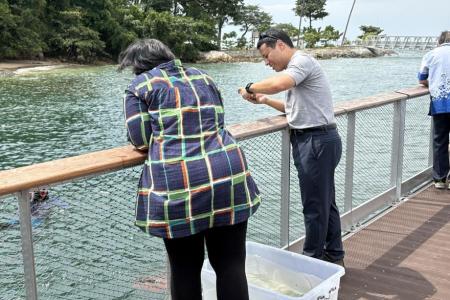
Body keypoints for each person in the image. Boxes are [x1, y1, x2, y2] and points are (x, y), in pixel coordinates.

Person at [118, 39, 261, 300]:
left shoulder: (140, 86)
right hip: (228, 172)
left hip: (180, 182)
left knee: (185, 270)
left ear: (138, 64)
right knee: (230, 264)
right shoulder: (204, 77)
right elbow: (216, 122)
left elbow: (139, 138)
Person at [238, 28, 344, 265]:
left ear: (281, 46)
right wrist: (265, 101)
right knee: (326, 202)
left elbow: (278, 84)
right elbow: (292, 108)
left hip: (315, 142)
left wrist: (251, 87)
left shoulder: (301, 62)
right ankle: (334, 257)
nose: (266, 62)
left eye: (267, 56)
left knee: (314, 207)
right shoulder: (298, 69)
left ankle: (311, 263)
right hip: (319, 139)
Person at [418, 30, 450, 189]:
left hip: (440, 102)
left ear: (440, 40)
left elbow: (422, 78)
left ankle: (440, 179)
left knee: (440, 140)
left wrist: (432, 83)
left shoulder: (431, 54)